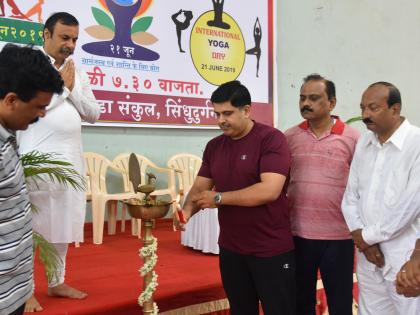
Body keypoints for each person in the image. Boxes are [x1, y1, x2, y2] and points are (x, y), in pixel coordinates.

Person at [174, 80, 296, 315]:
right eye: (217, 113)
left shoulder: (271, 139)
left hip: (269, 248)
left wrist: (219, 198)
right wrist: (186, 211)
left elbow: (270, 190)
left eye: (227, 113)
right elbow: (200, 188)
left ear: (247, 110)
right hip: (231, 249)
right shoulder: (214, 146)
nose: (221, 120)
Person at [17, 12, 100, 313]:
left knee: (63, 223)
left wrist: (73, 88)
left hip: (69, 160)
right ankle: (23, 291)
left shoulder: (76, 70)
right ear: (46, 35)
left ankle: (57, 281)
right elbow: (25, 107)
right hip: (36, 160)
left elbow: (94, 112)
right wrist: (61, 89)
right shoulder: (29, 66)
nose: (70, 45)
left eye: (75, 39)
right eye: (64, 37)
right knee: (29, 228)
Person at [342, 82, 420, 314]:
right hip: (369, 256)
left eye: (373, 108)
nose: (365, 115)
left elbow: (410, 205)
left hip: (405, 256)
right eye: (363, 107)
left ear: (394, 109)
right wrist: (362, 239)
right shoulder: (364, 143)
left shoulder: (416, 143)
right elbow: (350, 196)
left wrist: (366, 237)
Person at [285, 74, 360, 315]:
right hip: (297, 234)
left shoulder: (352, 138)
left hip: (338, 237)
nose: (305, 103)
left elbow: (362, 188)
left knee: (340, 303)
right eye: (302, 98)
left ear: (332, 103)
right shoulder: (289, 138)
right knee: (300, 302)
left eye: (314, 98)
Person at [0, 44, 63, 315]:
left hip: (12, 290)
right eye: (38, 107)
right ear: (11, 100)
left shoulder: (8, 133)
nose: (42, 114)